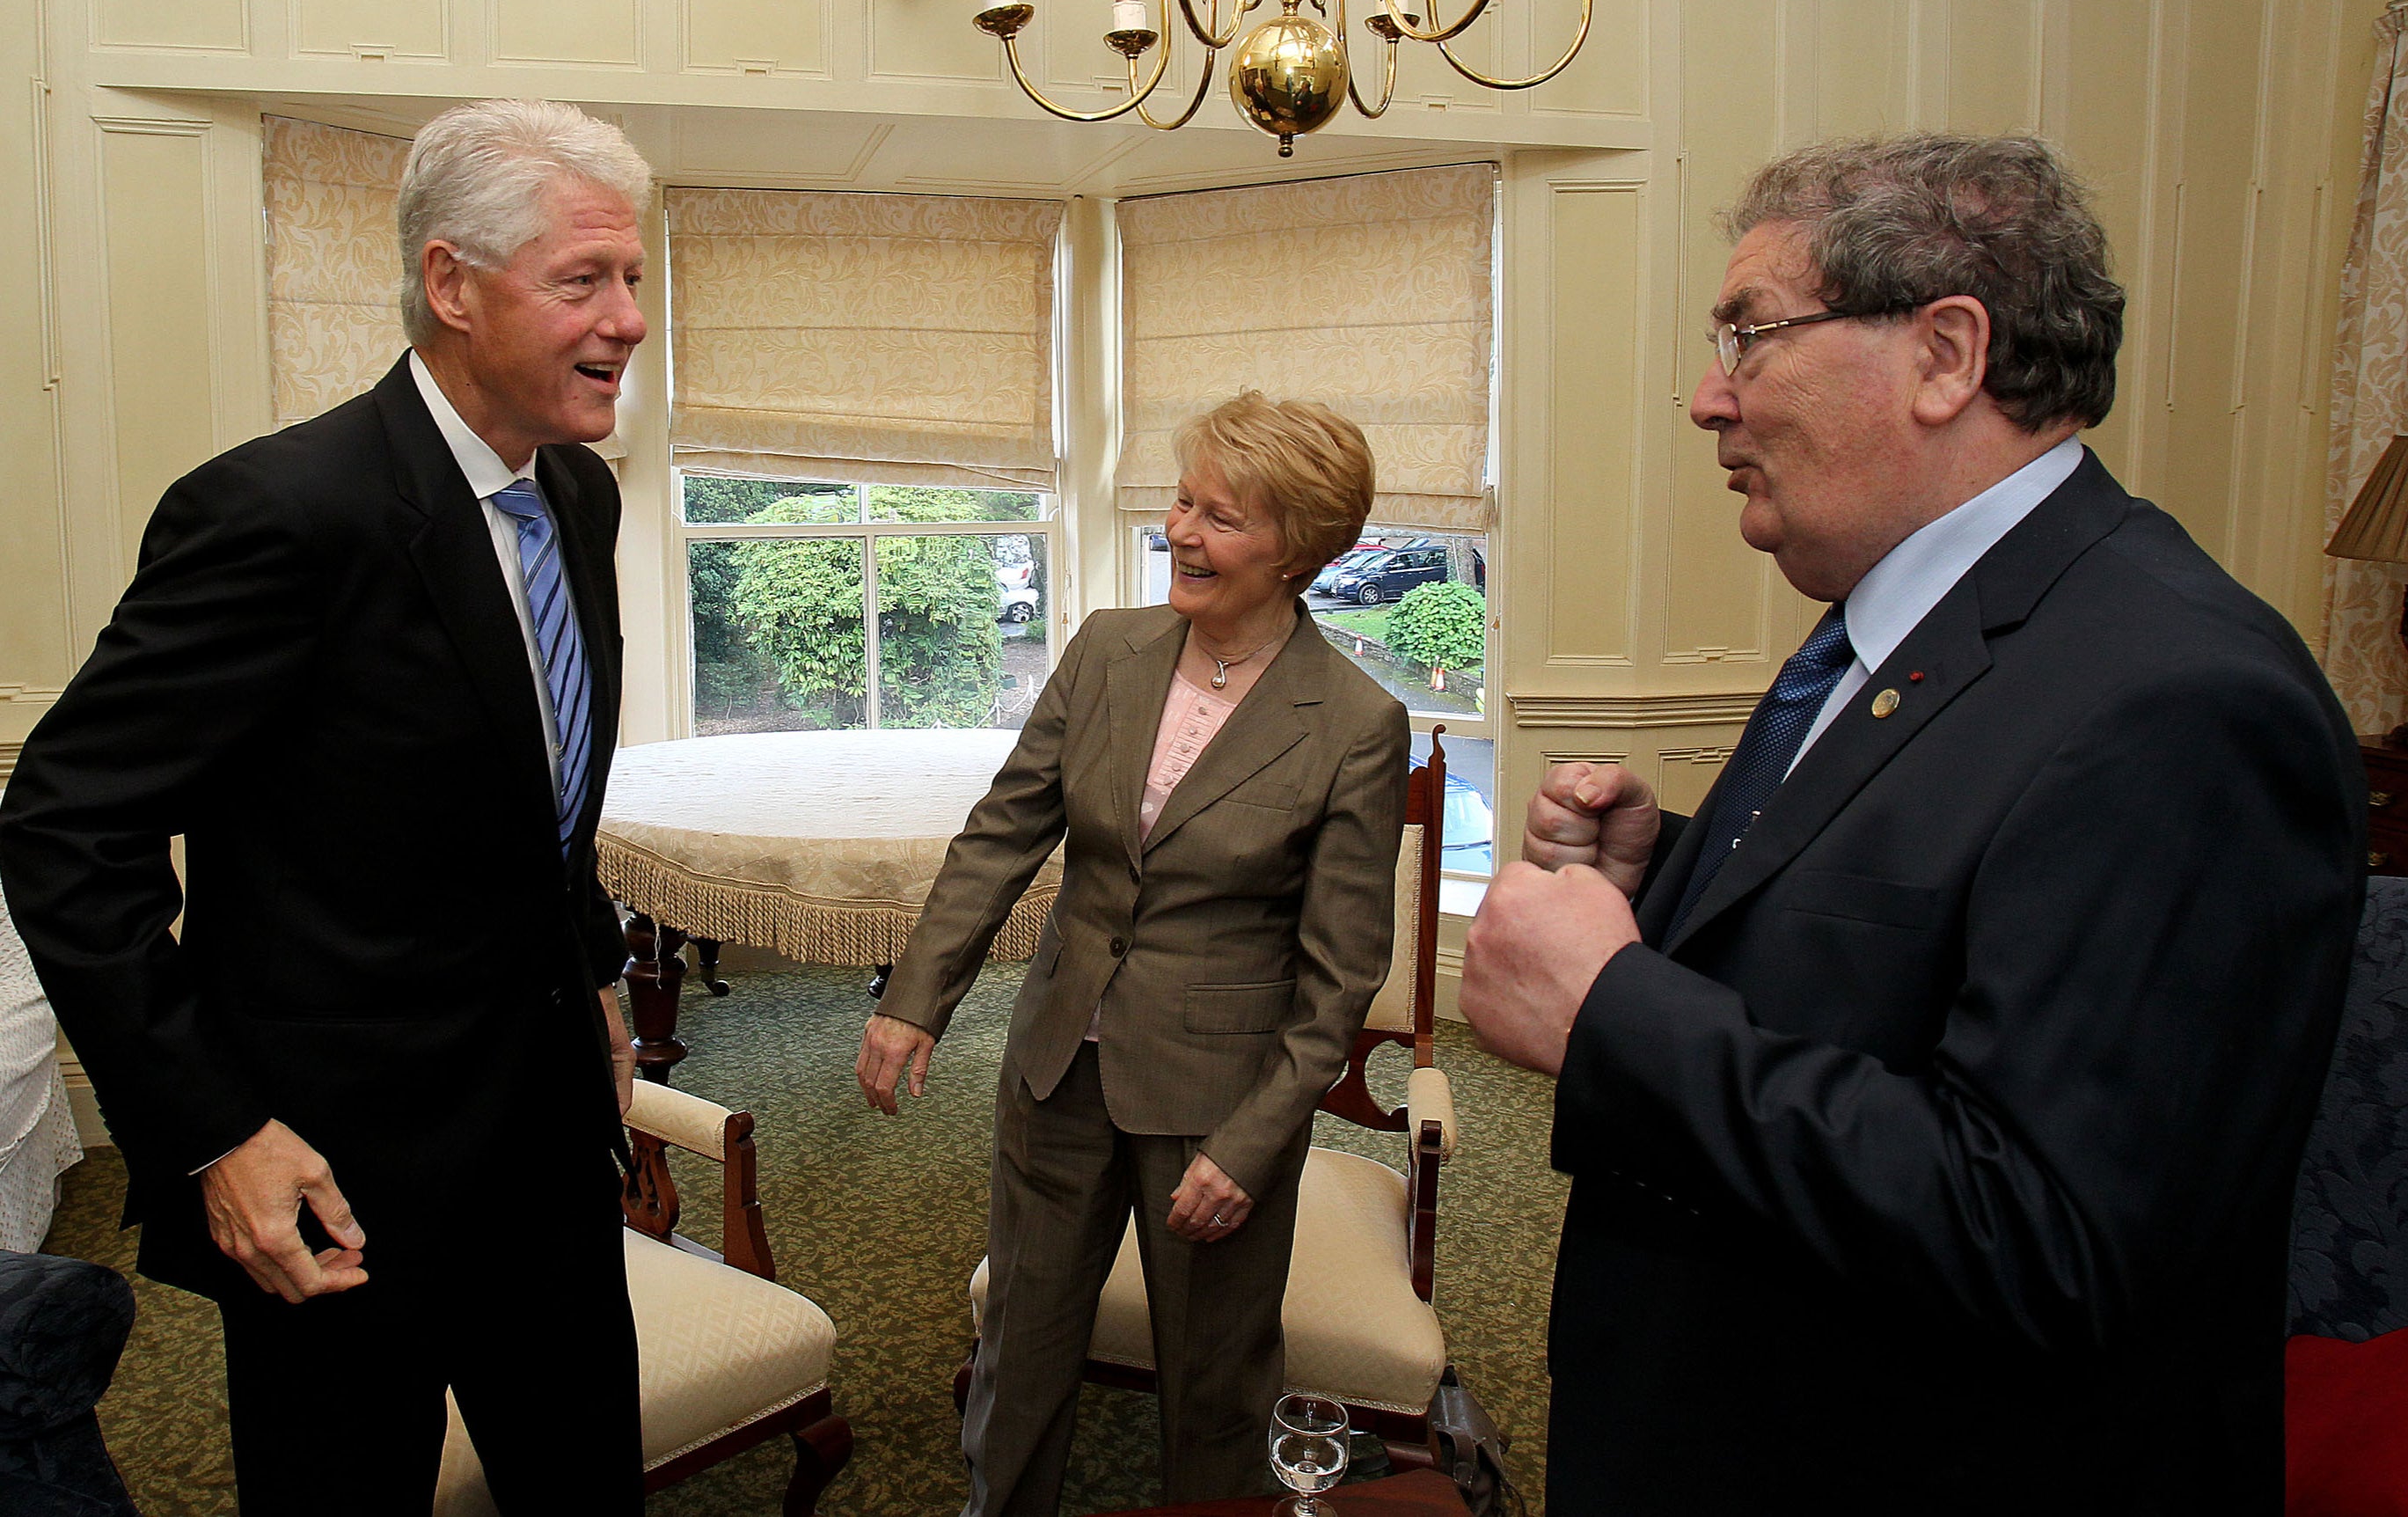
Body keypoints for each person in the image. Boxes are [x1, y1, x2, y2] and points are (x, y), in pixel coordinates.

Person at [1461, 134, 2362, 1516]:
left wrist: (1612, 1008)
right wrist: (1679, 871)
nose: (1708, 398)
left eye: (1749, 335)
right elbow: (1926, 911)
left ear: (1946, 354)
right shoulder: (1908, 621)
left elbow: (2043, 1234)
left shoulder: (2181, 697)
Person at [0, 99, 655, 1516]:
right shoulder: (283, 513)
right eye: (583, 281)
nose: (628, 318)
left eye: (635, 278)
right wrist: (215, 1129)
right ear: (450, 284)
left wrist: (592, 974)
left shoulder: (582, 499)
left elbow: (531, 800)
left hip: (543, 1149)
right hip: (335, 1181)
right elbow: (63, 829)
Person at [859, 392, 1410, 1517]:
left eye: (1224, 517)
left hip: (1214, 1105)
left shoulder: (1354, 722)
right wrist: (915, 1000)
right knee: (1021, 1346)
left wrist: (1254, 1144)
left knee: (1213, 1379)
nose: (1185, 533)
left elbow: (1339, 971)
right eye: (1183, 502)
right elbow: (1003, 833)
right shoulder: (1109, 648)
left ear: (1300, 548)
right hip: (1058, 1063)